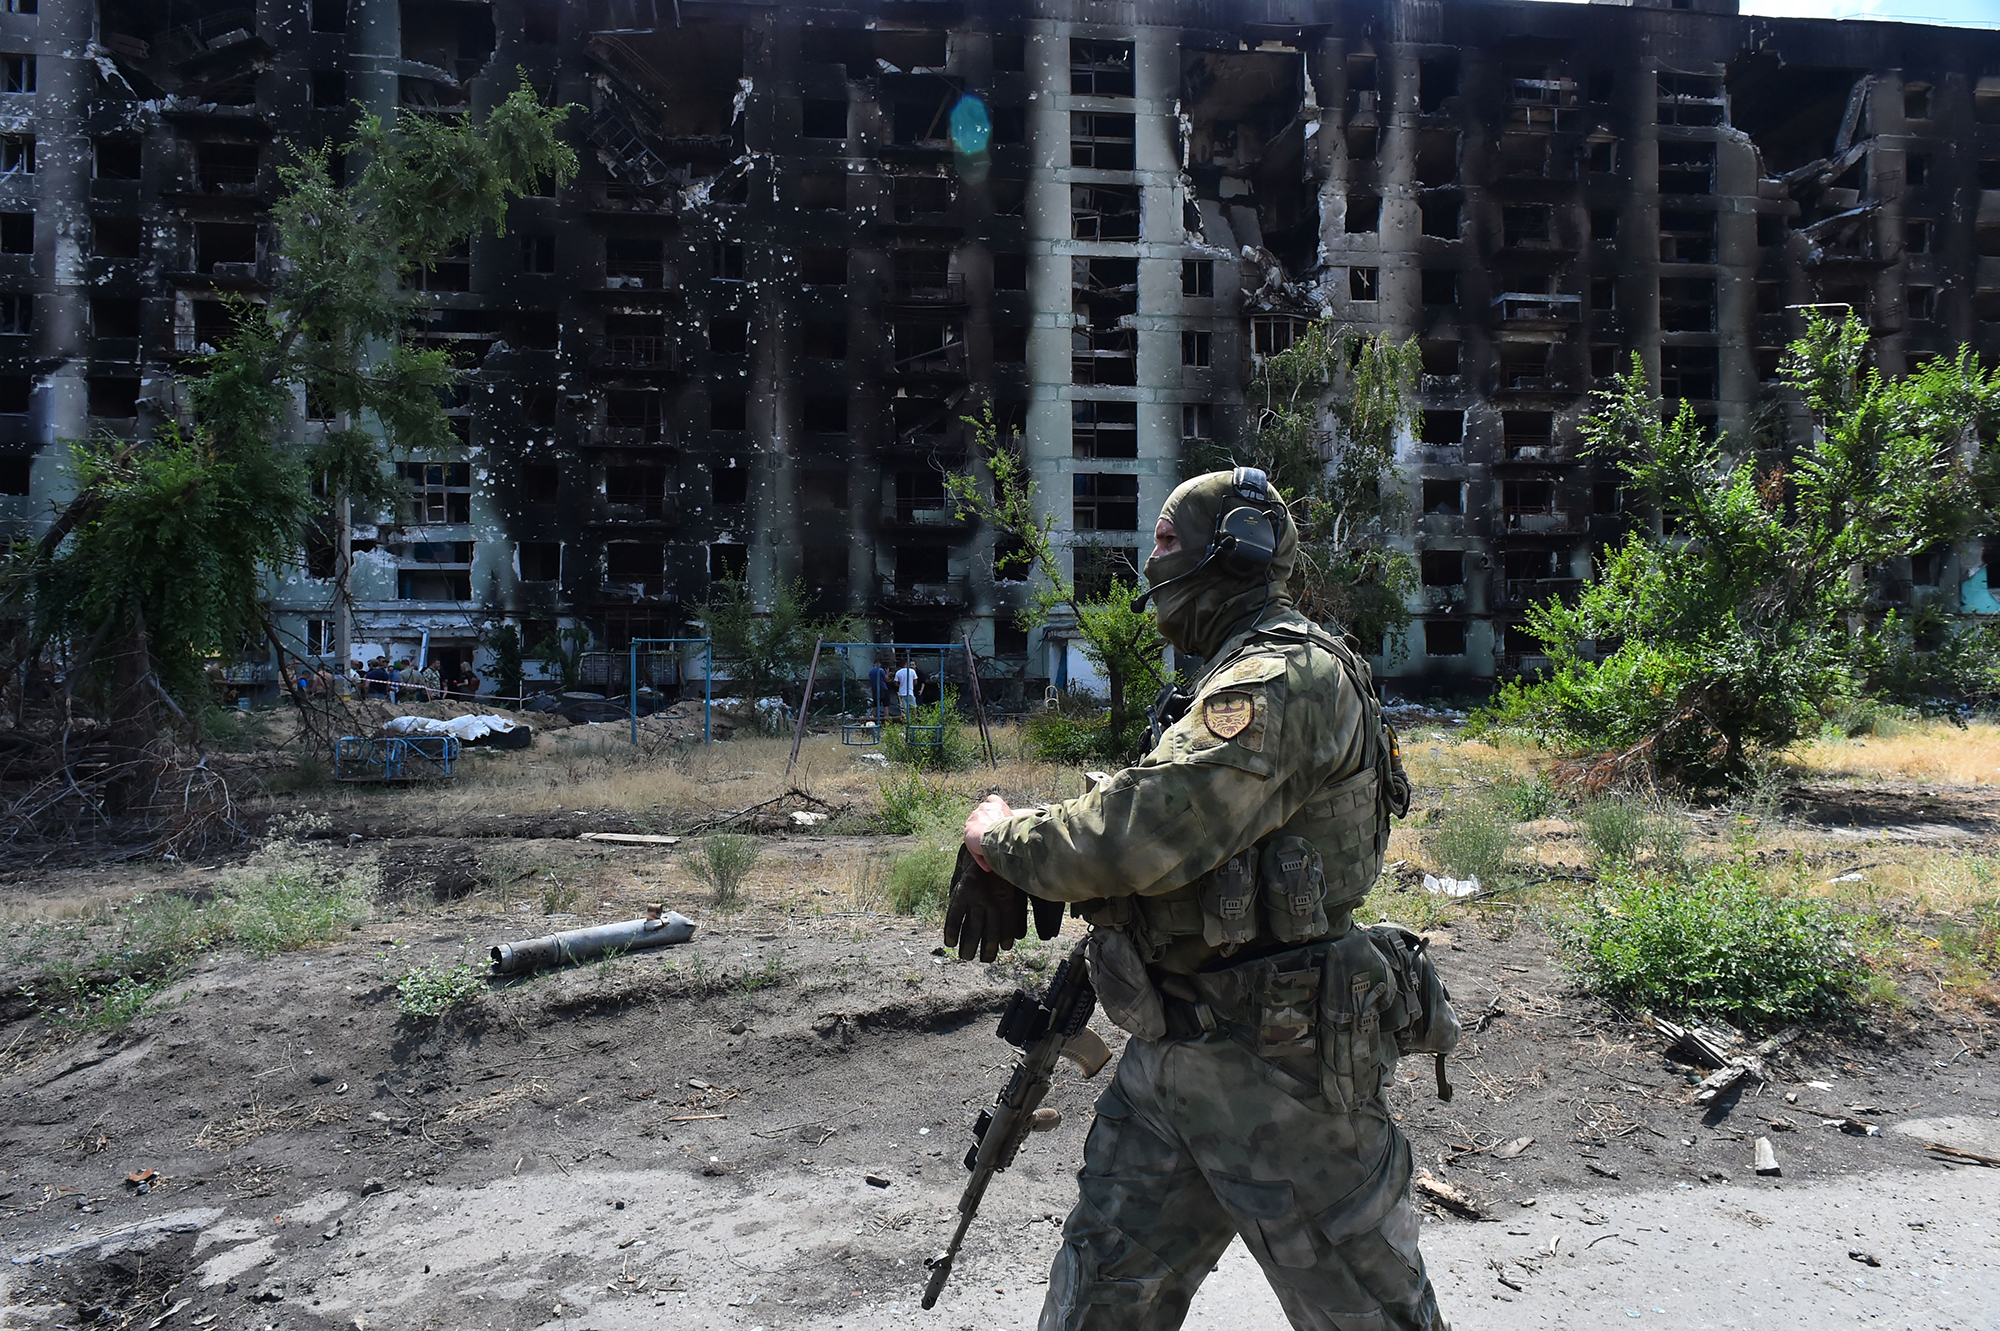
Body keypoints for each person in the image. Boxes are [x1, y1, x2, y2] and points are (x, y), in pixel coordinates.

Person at [951, 468, 1445, 1331]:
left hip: (1285, 1078)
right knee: (1099, 1304)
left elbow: (1143, 830)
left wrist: (1000, 838)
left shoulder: (1285, 680)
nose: (1150, 565)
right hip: (1166, 1057)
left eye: (1167, 543)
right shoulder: (1217, 681)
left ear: (1237, 551)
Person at [893, 656, 918, 720]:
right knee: (913, 707)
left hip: (901, 692)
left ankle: (905, 720)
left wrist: (901, 685)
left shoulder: (898, 672)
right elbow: (915, 682)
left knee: (904, 708)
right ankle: (914, 718)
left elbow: (895, 683)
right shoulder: (912, 671)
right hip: (909, 692)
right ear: (906, 664)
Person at [867, 658, 891, 723]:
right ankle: (886, 719)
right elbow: (886, 680)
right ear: (879, 664)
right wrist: (887, 674)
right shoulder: (881, 670)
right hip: (883, 688)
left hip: (874, 689)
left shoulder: (870, 671)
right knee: (886, 704)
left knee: (876, 705)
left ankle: (872, 719)